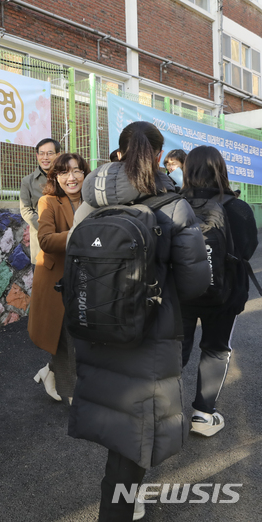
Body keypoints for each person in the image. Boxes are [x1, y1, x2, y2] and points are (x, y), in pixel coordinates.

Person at [67, 121, 209, 521]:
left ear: (118, 152)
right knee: (136, 431)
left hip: (93, 325)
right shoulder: (172, 204)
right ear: (160, 155)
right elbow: (195, 282)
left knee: (116, 419)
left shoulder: (88, 200)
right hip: (149, 332)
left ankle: (119, 502)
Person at [180, 146, 258, 437]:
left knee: (175, 349)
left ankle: (165, 411)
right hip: (225, 294)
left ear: (186, 171)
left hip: (182, 295)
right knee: (215, 349)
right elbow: (248, 249)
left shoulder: (173, 204)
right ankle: (203, 414)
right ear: (221, 169)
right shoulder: (237, 207)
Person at [28, 153, 90, 404]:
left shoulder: (94, 201)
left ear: (86, 173)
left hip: (86, 279)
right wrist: (78, 233)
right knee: (65, 336)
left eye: (77, 170)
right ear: (55, 177)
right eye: (64, 172)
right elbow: (45, 240)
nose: (71, 177)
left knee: (81, 334)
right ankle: (74, 394)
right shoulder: (48, 201)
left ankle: (49, 371)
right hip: (58, 280)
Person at [20, 138, 61, 268]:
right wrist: (46, 228)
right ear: (37, 156)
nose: (45, 157)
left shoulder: (65, 178)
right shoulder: (28, 181)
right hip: (41, 242)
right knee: (41, 284)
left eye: (50, 153)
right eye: (41, 153)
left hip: (64, 238)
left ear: (58, 155)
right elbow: (25, 210)